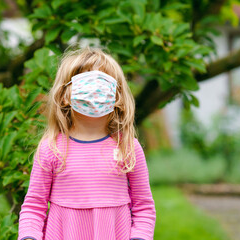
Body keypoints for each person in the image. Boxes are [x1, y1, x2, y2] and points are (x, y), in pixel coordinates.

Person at [18, 45, 156, 240]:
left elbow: (144, 207)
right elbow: (34, 206)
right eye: (85, 79)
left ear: (117, 95)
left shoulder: (128, 148)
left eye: (103, 80)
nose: (95, 87)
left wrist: (139, 237)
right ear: (64, 95)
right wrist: (29, 236)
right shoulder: (51, 149)